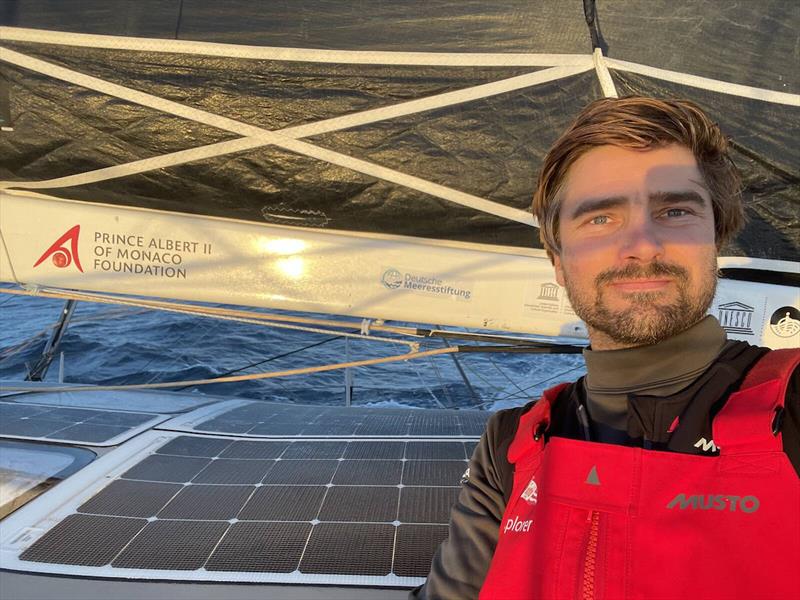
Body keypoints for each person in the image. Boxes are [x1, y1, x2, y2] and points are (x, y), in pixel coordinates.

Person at [412, 96, 799, 599]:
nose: (642, 243)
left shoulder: (791, 405)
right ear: (557, 261)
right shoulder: (511, 444)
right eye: (600, 218)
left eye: (675, 210)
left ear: (715, 240)